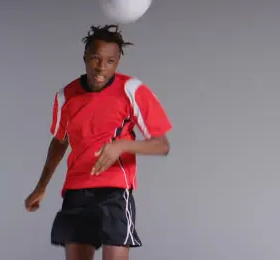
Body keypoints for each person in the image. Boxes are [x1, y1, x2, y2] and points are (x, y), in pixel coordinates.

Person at [24, 24, 172, 260]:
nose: (102, 67)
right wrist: (41, 186)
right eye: (96, 58)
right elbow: (60, 142)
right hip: (76, 191)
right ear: (85, 57)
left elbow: (162, 145)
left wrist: (121, 146)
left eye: (110, 61)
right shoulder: (66, 96)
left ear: (117, 63)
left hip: (114, 191)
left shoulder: (131, 90)